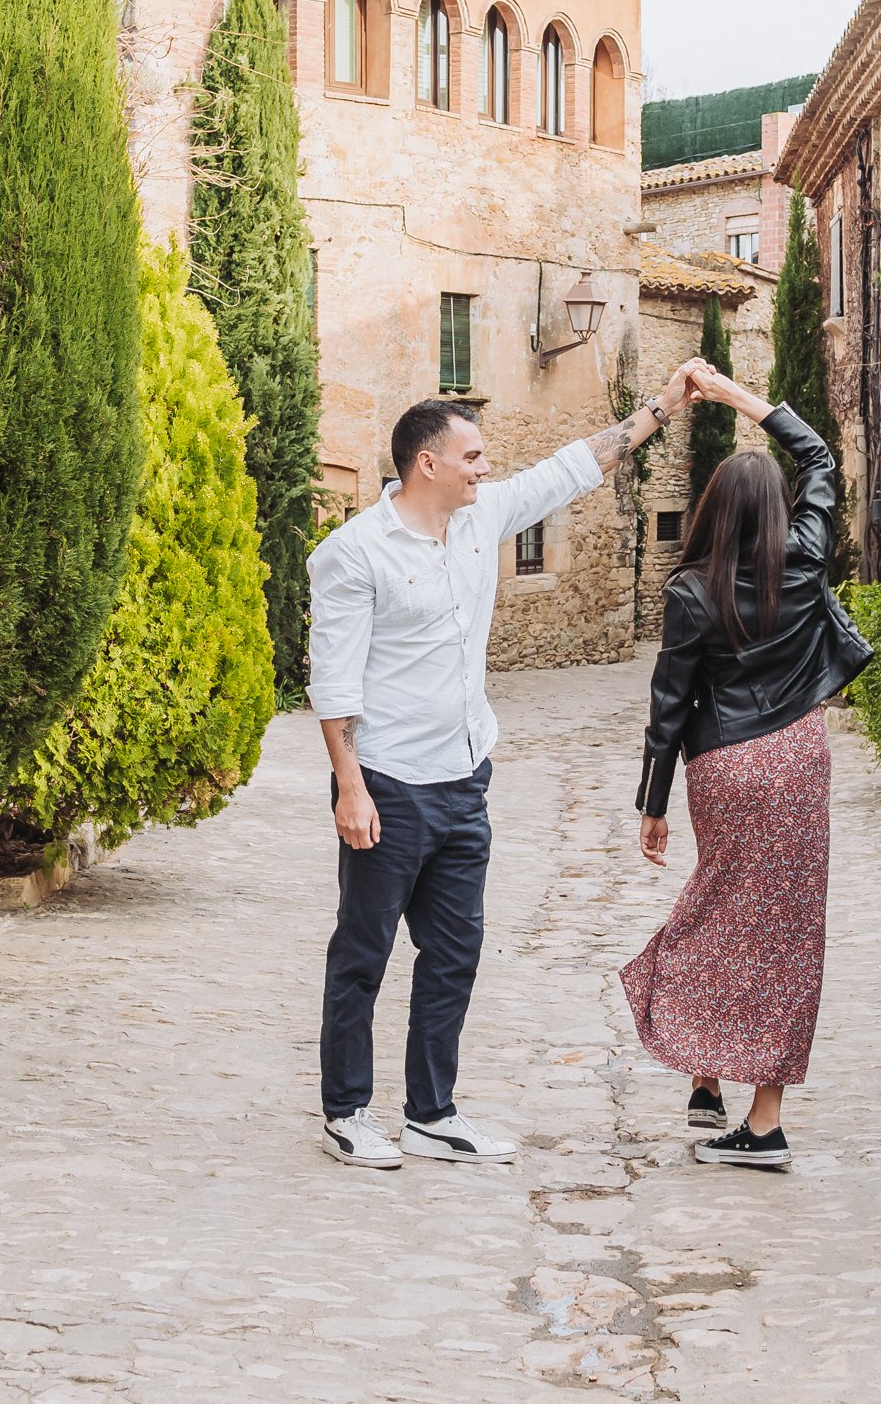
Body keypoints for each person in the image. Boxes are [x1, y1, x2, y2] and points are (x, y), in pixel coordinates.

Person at [308, 363, 703, 1170]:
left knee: (454, 953)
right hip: (386, 783)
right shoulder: (354, 554)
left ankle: (431, 1111)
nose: (487, 469)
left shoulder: (482, 519)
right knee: (365, 951)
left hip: (464, 778)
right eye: (475, 457)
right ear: (429, 463)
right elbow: (335, 682)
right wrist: (349, 786)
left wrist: (660, 409)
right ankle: (348, 1109)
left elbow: (571, 467)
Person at [620, 363, 872, 1171]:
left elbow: (669, 704)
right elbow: (822, 461)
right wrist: (738, 397)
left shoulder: (691, 590)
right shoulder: (802, 559)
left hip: (724, 766)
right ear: (775, 510)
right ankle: (762, 1119)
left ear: (712, 510)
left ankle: (703, 1073)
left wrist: (653, 804)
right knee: (787, 928)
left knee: (716, 904)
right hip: (799, 754)